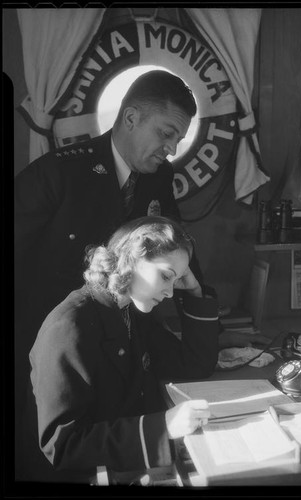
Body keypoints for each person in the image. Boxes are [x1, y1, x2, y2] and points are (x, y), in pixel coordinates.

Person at [14, 70, 203, 435]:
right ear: (131, 118)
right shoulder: (60, 171)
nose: (172, 148)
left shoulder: (159, 178)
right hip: (51, 349)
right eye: (166, 133)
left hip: (122, 344)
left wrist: (198, 302)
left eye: (178, 139)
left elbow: (179, 250)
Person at [21, 216, 219, 483]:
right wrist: (163, 427)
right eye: (165, 276)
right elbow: (61, 446)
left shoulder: (130, 312)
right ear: (130, 259)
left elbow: (193, 363)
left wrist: (194, 291)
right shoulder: (69, 326)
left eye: (177, 280)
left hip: (126, 465)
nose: (171, 292)